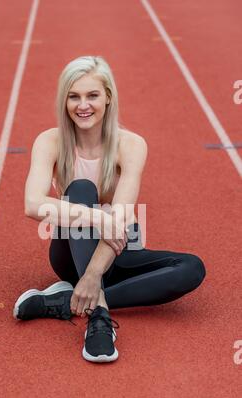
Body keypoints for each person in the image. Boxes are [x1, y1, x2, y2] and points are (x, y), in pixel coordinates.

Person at [13, 55, 206, 364]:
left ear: (108, 97)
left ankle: (71, 300)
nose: (82, 105)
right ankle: (98, 318)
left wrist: (91, 277)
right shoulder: (49, 141)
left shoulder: (131, 145)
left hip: (117, 250)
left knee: (192, 268)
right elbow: (33, 204)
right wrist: (97, 216)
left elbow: (120, 221)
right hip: (69, 251)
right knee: (80, 189)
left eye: (92, 95)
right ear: (64, 101)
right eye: (73, 96)